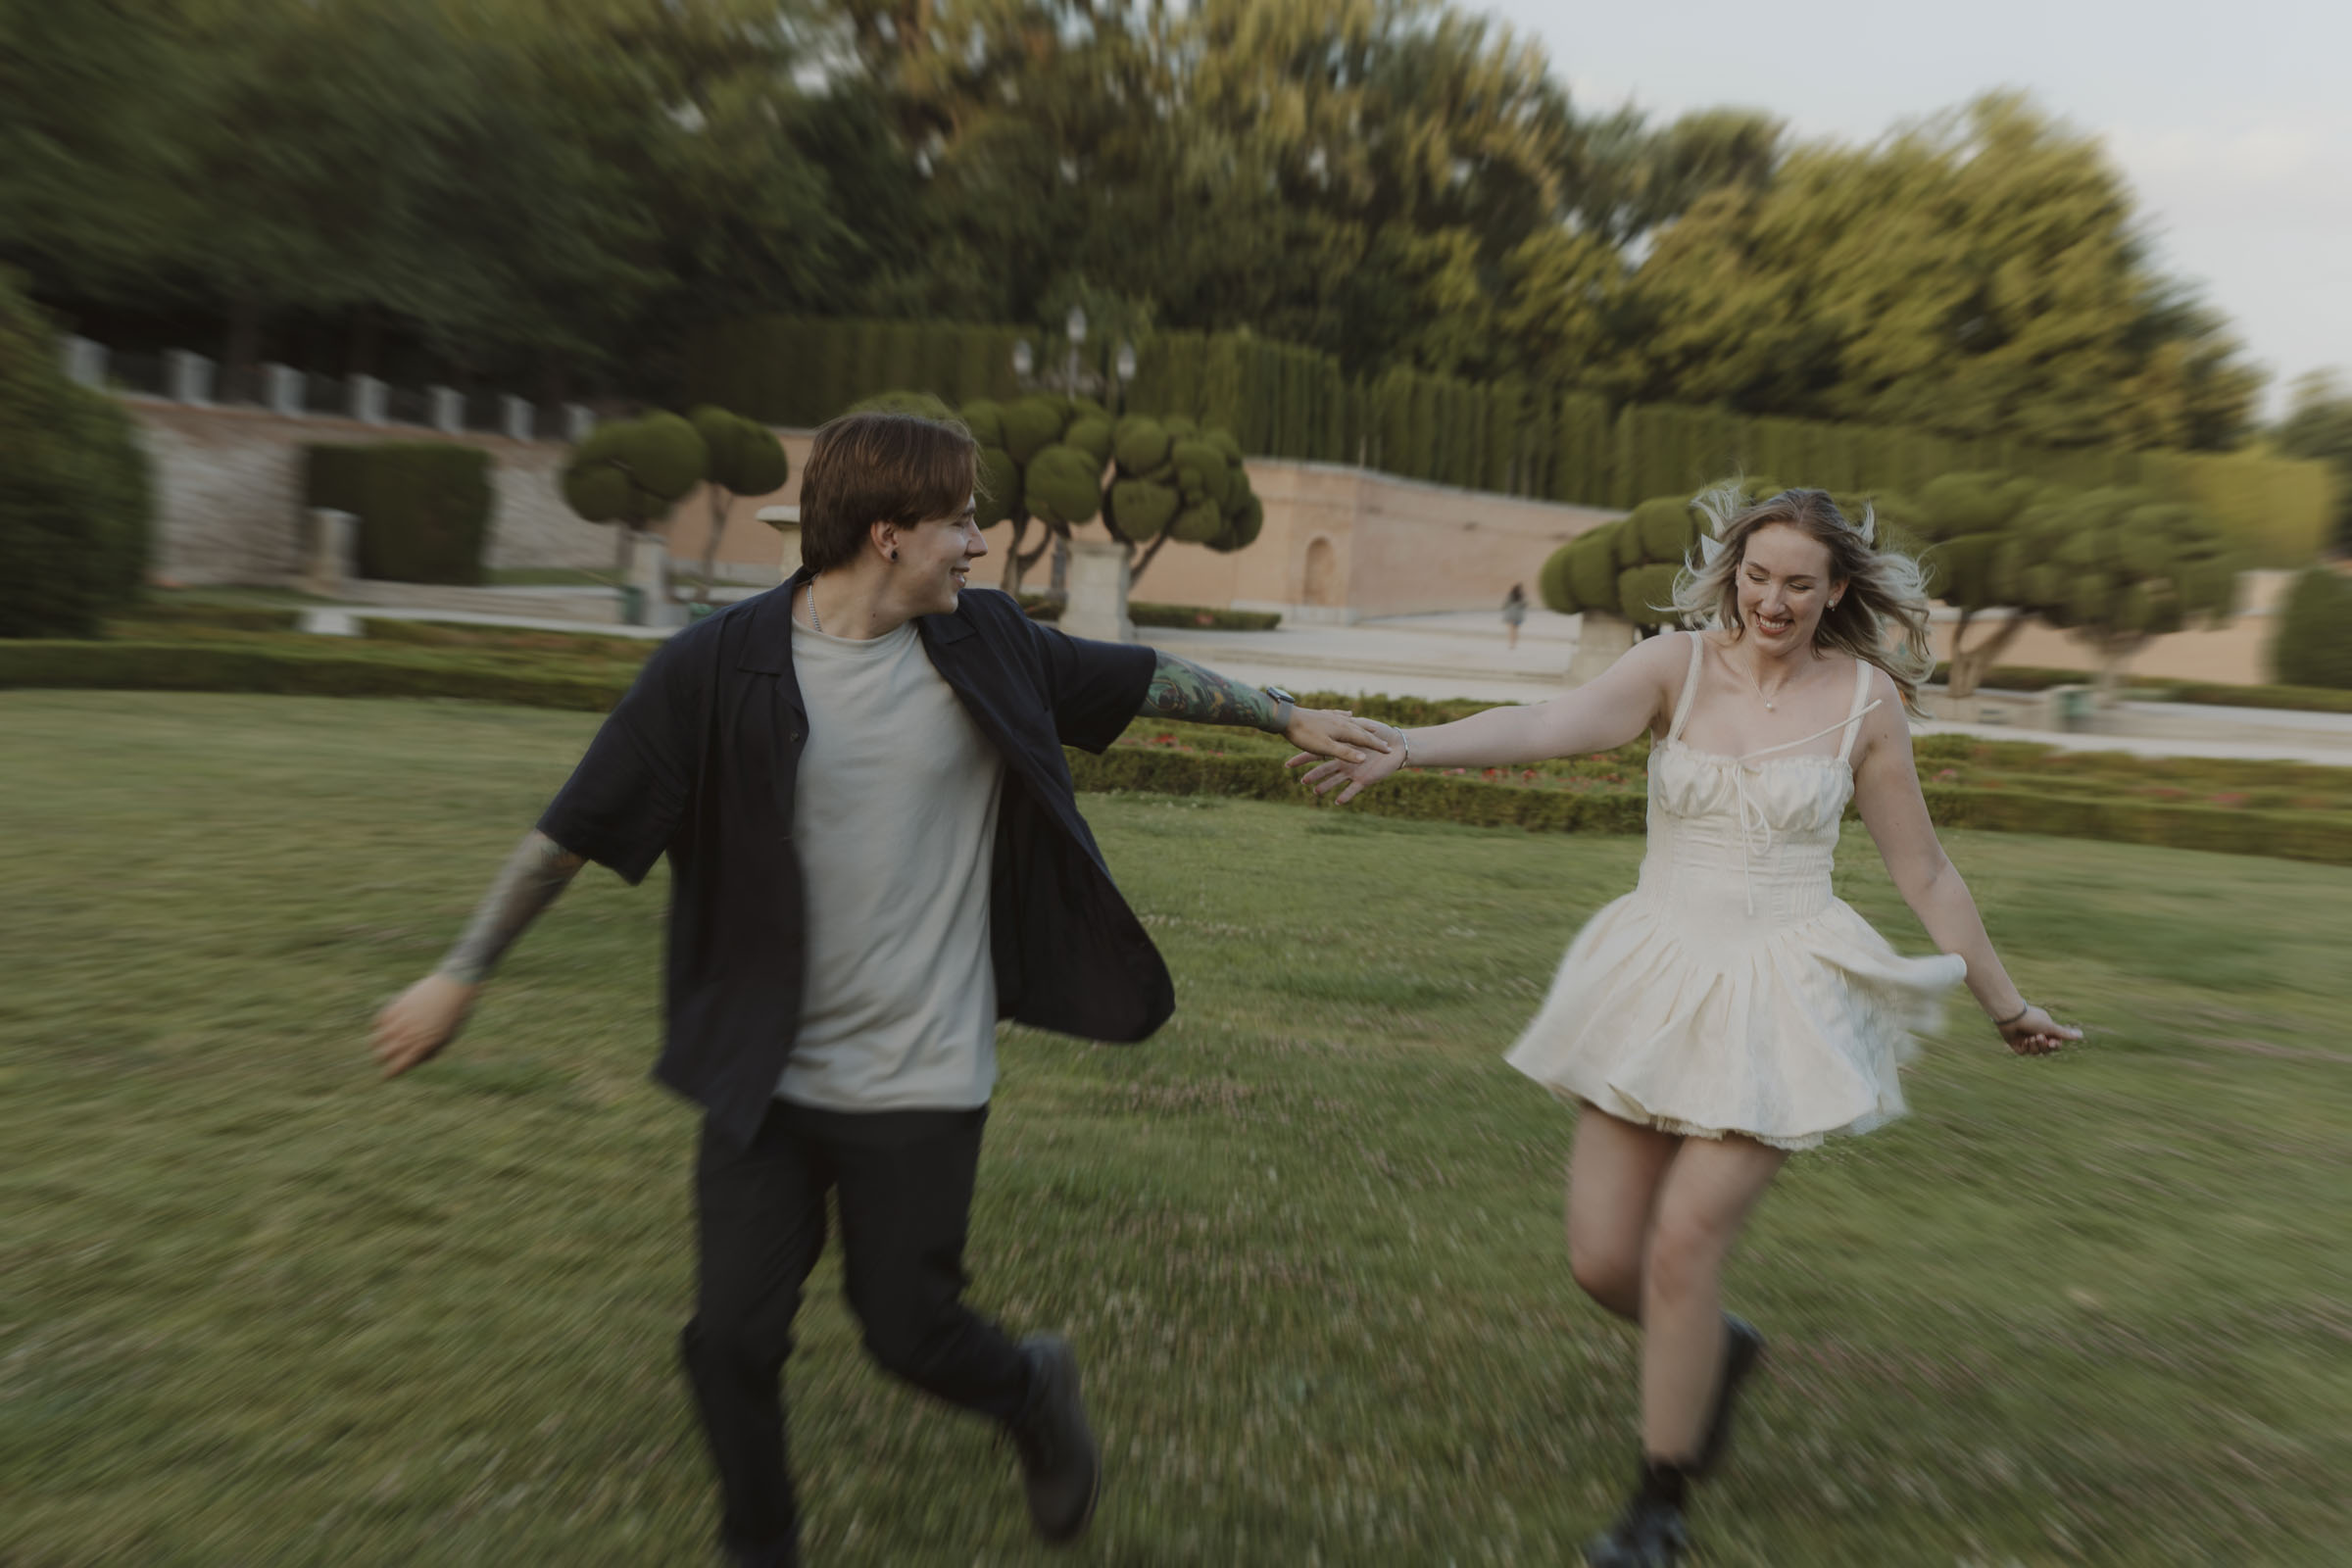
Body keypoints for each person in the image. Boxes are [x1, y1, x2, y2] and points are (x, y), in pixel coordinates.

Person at [369, 411, 1390, 1568]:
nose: (981, 543)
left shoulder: (987, 642)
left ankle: (1031, 1389)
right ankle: (761, 1545)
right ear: (888, 533)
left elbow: (1145, 676)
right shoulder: (716, 668)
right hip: (766, 1073)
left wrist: (1289, 713)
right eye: (962, 520)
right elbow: (568, 835)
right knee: (730, 1339)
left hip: (921, 1066)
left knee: (908, 1329)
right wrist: (460, 973)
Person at [1293, 487, 2078, 1568]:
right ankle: (1715, 1342)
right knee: (1601, 1260)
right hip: (1657, 973)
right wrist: (1406, 747)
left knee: (1680, 1247)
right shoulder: (1677, 666)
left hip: (1786, 989)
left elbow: (1926, 871)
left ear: (1835, 591)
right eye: (1756, 576)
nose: (1771, 601)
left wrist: (2007, 1003)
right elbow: (1547, 725)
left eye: (1797, 583)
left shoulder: (1866, 703)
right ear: (1732, 573)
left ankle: (1656, 1507)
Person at [1503, 581, 1529, 649]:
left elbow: (1506, 604)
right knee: (1515, 630)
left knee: (1511, 630)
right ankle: (1513, 643)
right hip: (1517, 616)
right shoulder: (1521, 596)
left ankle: (1512, 643)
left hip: (1511, 615)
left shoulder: (1511, 595)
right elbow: (1525, 604)